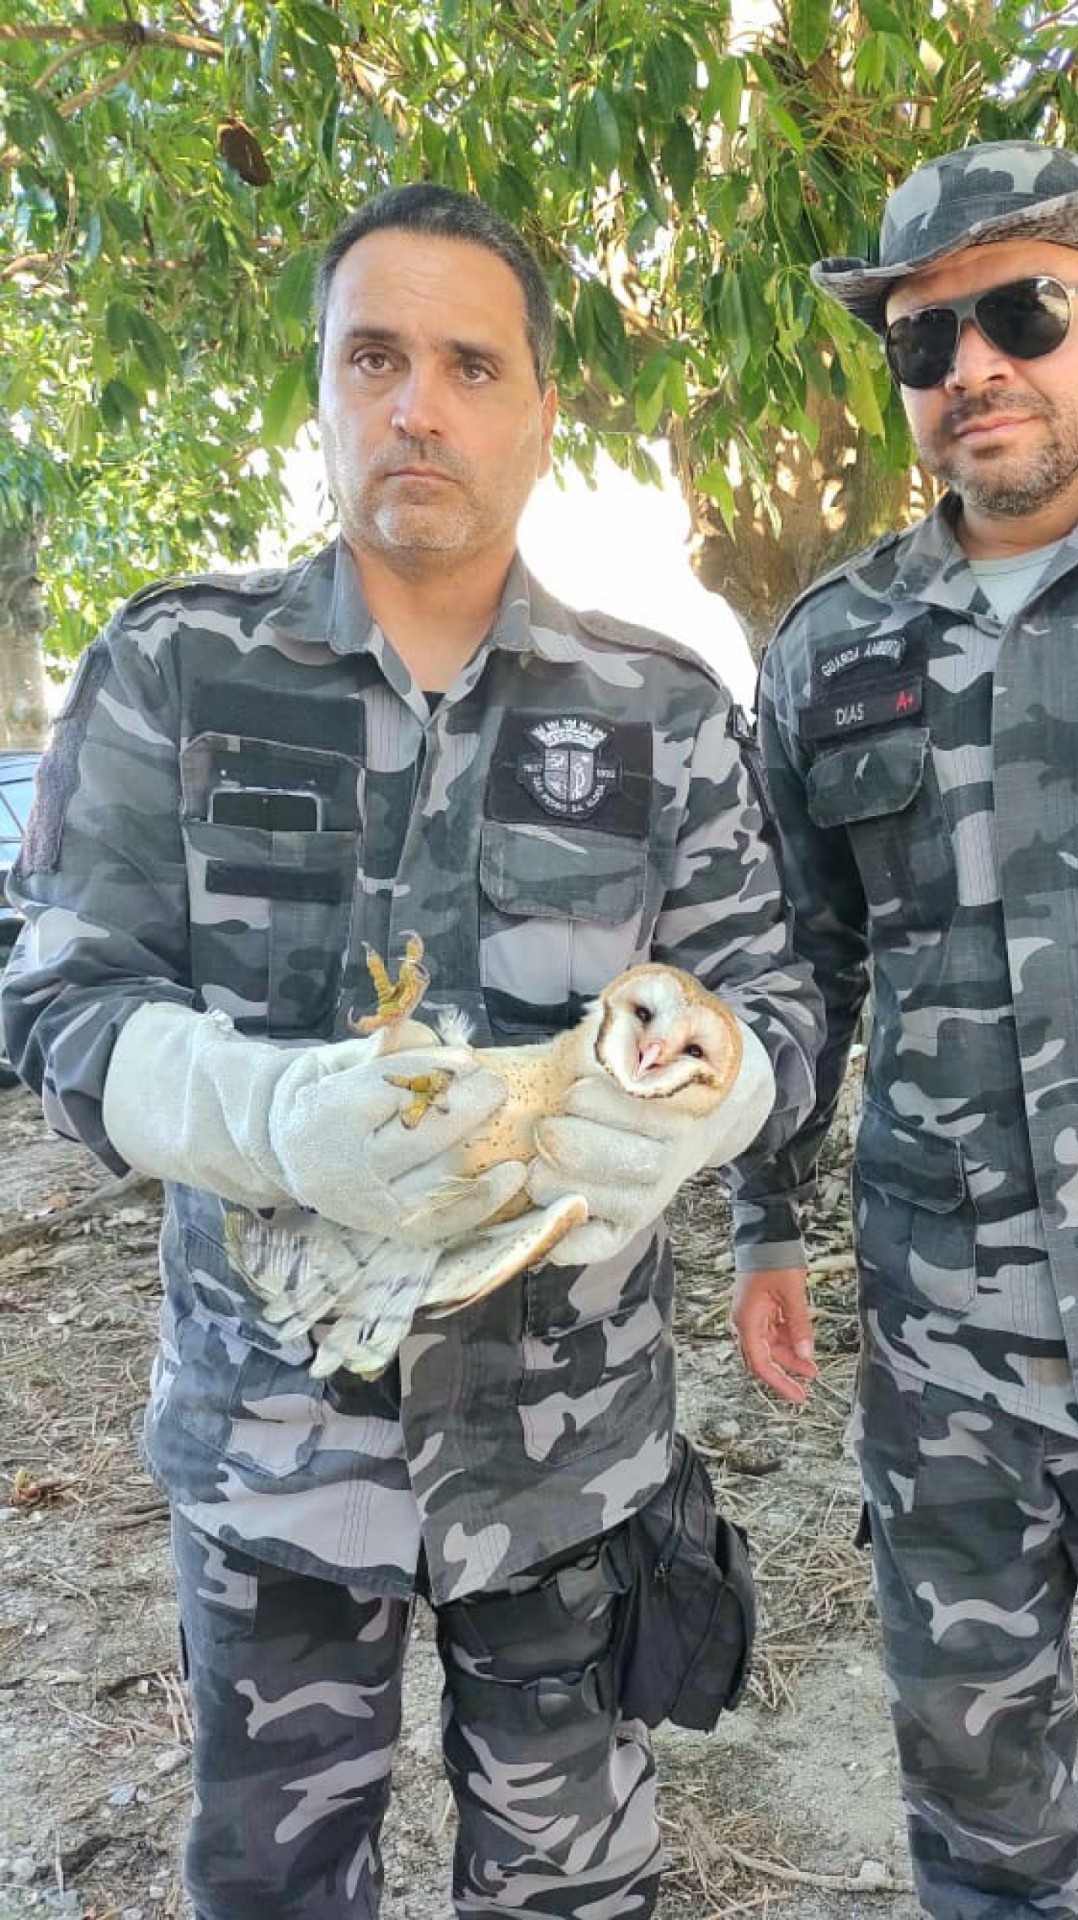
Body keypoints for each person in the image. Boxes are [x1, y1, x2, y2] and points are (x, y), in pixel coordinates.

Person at [0, 185, 823, 1918]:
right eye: (373, 356)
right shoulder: (176, 672)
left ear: (538, 410)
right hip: (274, 1458)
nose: (417, 404)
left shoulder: (657, 713)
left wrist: (707, 1095)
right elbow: (57, 1004)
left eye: (469, 362)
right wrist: (271, 1115)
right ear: (321, 386)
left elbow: (784, 1006)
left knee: (575, 1894)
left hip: (573, 1469)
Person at [740, 141, 1078, 1918]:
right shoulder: (835, 646)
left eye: (1022, 312)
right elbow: (803, 960)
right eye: (927, 340)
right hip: (945, 1378)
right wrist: (766, 1224)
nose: (972, 369)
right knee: (988, 1847)